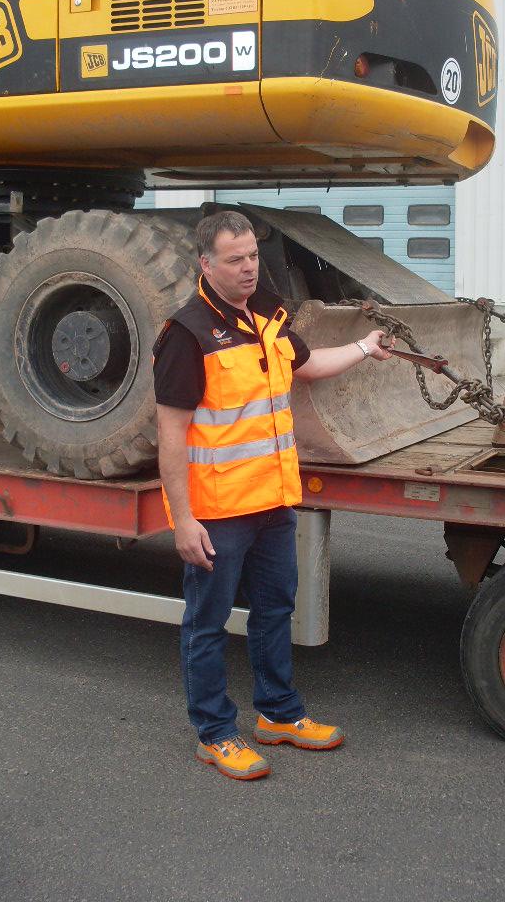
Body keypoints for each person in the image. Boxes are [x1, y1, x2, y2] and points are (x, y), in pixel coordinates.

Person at [153, 209, 394, 781]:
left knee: (275, 611)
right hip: (217, 514)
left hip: (272, 503)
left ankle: (278, 715)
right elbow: (170, 436)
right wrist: (182, 521)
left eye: (253, 257)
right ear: (205, 264)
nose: (247, 269)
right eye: (234, 260)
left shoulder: (268, 316)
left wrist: (364, 347)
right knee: (207, 624)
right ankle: (214, 733)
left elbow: (307, 367)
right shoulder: (186, 334)